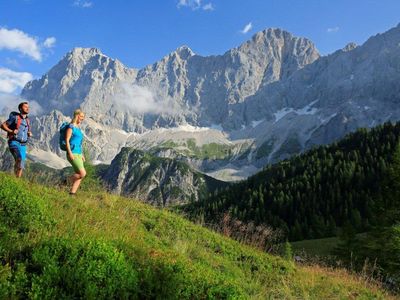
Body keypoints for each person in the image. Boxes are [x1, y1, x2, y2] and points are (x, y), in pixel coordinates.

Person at [0, 102, 32, 178]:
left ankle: (17, 180)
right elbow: (2, 125)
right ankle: (14, 179)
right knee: (19, 158)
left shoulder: (27, 120)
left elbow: (25, 131)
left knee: (21, 165)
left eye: (28, 107)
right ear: (20, 109)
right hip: (14, 142)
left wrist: (29, 133)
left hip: (23, 145)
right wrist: (11, 131)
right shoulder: (15, 117)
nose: (28, 108)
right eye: (25, 107)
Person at [65, 109, 86, 195]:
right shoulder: (71, 127)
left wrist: (82, 154)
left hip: (78, 154)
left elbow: (79, 144)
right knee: (83, 173)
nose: (83, 119)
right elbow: (67, 140)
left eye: (83, 117)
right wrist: (69, 153)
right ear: (77, 116)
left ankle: (72, 194)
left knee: (79, 175)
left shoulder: (78, 128)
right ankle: (66, 181)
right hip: (72, 153)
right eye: (81, 117)